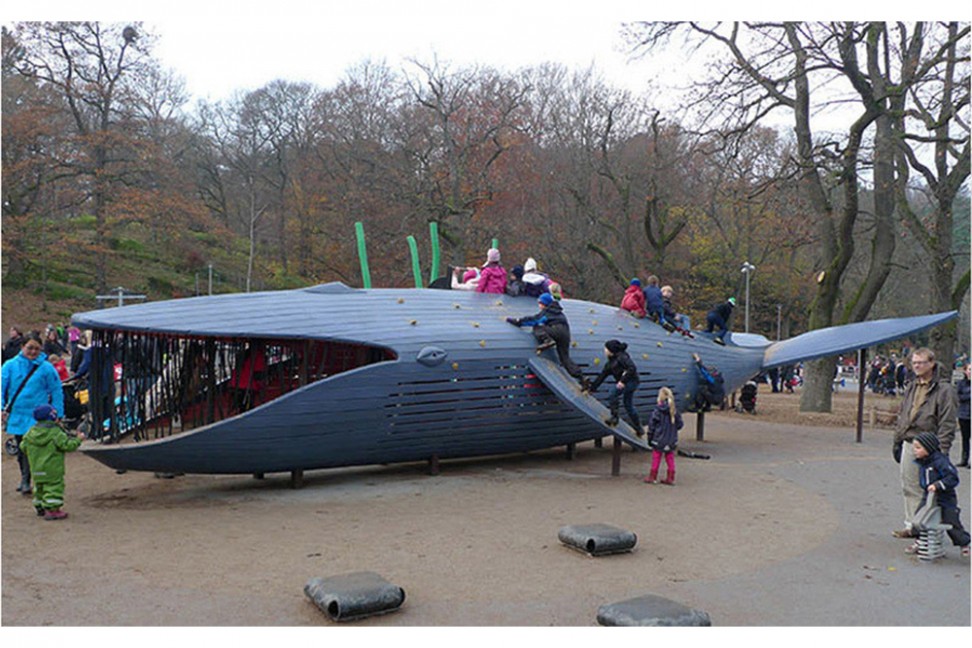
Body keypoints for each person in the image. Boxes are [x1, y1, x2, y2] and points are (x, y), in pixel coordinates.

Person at [891, 348, 957, 539]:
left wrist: (942, 451)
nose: (917, 366)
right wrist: (897, 439)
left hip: (930, 445)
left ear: (932, 364)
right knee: (909, 485)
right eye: (914, 363)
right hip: (909, 440)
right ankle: (913, 526)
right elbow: (904, 413)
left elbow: (947, 422)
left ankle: (928, 530)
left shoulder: (944, 389)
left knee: (929, 490)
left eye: (921, 362)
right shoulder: (912, 385)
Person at [2, 332, 65, 495]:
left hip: (39, 416)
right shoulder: (10, 365)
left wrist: (58, 412)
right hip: (18, 414)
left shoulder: (46, 368)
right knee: (22, 448)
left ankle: (34, 479)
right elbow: (1, 388)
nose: (33, 352)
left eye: (37, 349)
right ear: (22, 347)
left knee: (36, 449)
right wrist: (1, 408)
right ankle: (25, 478)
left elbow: (56, 390)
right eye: (30, 348)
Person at [905, 432, 970, 557]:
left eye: (918, 448)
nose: (915, 451)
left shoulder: (940, 461)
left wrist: (938, 485)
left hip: (945, 497)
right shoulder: (923, 461)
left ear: (928, 448)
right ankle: (920, 541)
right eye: (914, 448)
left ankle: (964, 543)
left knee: (951, 522)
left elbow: (952, 478)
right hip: (928, 495)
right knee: (920, 517)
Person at [20, 404, 84, 520]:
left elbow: (23, 446)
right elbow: (67, 446)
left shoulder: (30, 432)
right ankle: (52, 509)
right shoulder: (56, 433)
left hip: (36, 468)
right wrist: (78, 440)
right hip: (52, 468)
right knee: (53, 488)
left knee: (39, 487)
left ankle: (39, 506)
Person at [506, 293, 584, 382]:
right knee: (565, 358)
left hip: (556, 329)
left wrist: (518, 321)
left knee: (537, 327)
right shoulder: (558, 311)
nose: (539, 305)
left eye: (540, 303)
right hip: (565, 333)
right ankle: (581, 377)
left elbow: (534, 320)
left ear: (544, 303)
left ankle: (547, 340)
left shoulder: (547, 312)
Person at [586, 339, 641, 433]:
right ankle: (639, 428)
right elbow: (601, 377)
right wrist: (592, 389)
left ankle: (614, 418)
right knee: (628, 405)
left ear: (611, 350)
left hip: (632, 381)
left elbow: (632, 368)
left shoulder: (622, 357)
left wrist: (623, 381)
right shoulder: (609, 364)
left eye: (606, 349)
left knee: (613, 394)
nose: (604, 350)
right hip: (626, 383)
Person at [644, 386, 683, 485]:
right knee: (670, 457)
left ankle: (652, 477)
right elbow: (680, 425)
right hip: (671, 439)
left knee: (656, 457)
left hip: (659, 439)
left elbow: (651, 426)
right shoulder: (674, 410)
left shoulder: (657, 411)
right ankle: (670, 478)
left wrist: (650, 438)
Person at [956, 363, 970, 468]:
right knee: (965, 438)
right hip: (964, 414)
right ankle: (964, 459)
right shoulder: (961, 383)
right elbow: (958, 397)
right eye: (969, 369)